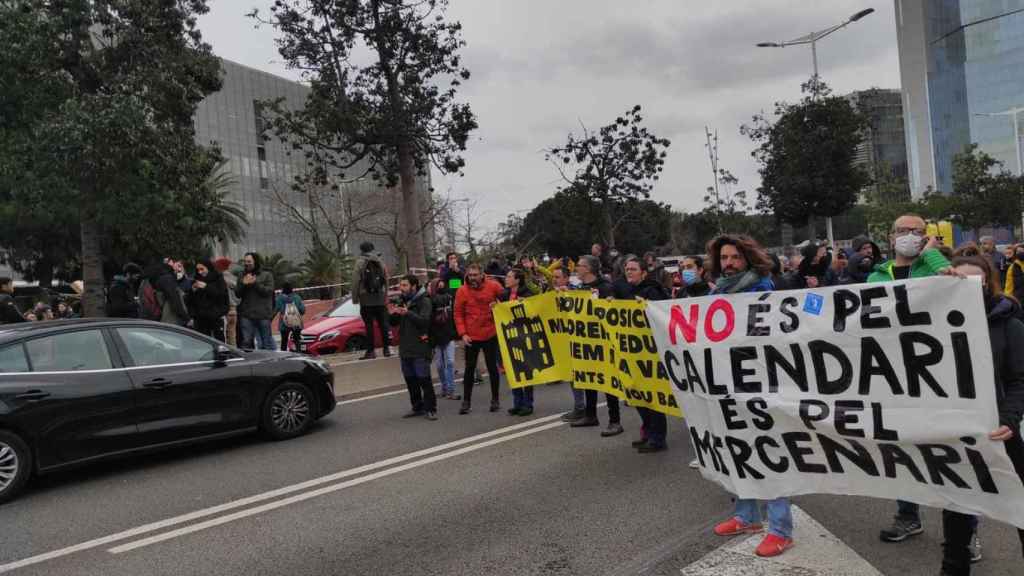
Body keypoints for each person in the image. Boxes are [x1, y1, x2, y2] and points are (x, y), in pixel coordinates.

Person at [869, 214, 961, 544]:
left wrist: (932, 254)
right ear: (891, 237)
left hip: (939, 380)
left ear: (927, 238)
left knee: (952, 456)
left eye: (918, 232)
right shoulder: (875, 276)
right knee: (902, 453)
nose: (910, 235)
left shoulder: (936, 268)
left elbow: (954, 282)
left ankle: (964, 531)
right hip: (895, 381)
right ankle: (908, 516)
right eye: (903, 231)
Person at [705, 234, 792, 557]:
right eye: (724, 258)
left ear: (748, 260)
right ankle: (747, 516)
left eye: (735, 258)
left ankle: (781, 528)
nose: (728, 263)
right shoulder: (719, 291)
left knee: (769, 453)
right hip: (729, 382)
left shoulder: (761, 289)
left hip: (761, 383)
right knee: (737, 450)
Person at [939, 256, 1024, 576]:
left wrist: (1009, 418)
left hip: (1000, 434)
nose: (967, 288)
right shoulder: (932, 323)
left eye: (976, 281)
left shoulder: (1010, 326)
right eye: (958, 281)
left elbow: (1019, 380)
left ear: (989, 284)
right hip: (956, 434)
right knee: (957, 510)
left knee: (1020, 504)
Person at [616, 255, 670, 453]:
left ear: (643, 273)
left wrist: (647, 306)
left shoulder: (653, 291)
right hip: (633, 353)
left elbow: (663, 314)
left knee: (653, 397)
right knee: (638, 395)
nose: (629, 271)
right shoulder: (627, 291)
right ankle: (647, 433)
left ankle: (658, 438)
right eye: (627, 269)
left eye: (633, 269)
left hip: (651, 354)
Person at [569, 255, 623, 437]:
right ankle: (590, 415)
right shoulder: (579, 288)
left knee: (608, 382)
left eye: (579, 265)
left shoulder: (606, 288)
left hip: (604, 343)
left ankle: (615, 421)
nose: (576, 268)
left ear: (589, 269)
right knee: (588, 378)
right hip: (586, 342)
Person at [454, 263, 505, 415]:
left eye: (475, 275)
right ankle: (466, 402)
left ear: (482, 275)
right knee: (469, 370)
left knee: (492, 368)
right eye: (470, 275)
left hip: (490, 333)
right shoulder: (462, 291)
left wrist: (499, 304)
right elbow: (457, 313)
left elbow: (508, 300)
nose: (472, 278)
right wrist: (463, 333)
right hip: (471, 336)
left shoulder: (494, 286)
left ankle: (495, 399)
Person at [390, 275, 437, 420]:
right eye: (400, 286)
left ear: (414, 286)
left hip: (420, 346)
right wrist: (392, 313)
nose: (401, 289)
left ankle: (430, 408)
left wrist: (407, 312)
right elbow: (393, 323)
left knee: (424, 379)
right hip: (405, 347)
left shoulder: (425, 301)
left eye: (404, 285)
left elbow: (424, 322)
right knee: (410, 379)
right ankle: (417, 406)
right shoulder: (403, 301)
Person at [550, 267, 586, 422]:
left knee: (579, 375)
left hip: (579, 340)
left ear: (566, 278)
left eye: (557, 277)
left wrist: (568, 294)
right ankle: (581, 407)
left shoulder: (575, 291)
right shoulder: (551, 293)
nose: (554, 280)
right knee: (573, 375)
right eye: (553, 277)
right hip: (564, 340)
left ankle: (581, 408)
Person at [500, 269, 536, 416]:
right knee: (512, 370)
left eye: (509, 276)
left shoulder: (527, 294)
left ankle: (528, 404)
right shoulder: (504, 295)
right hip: (510, 337)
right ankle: (517, 402)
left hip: (524, 337)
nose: (506, 279)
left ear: (517, 280)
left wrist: (526, 305)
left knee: (526, 370)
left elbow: (534, 312)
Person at [352, 241, 391, 359]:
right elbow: (386, 280)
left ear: (362, 250)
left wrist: (355, 298)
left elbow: (355, 282)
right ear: (372, 249)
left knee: (368, 326)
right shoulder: (380, 261)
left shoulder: (359, 262)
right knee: (383, 324)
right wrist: (385, 295)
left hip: (366, 299)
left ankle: (371, 352)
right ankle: (386, 349)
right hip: (380, 298)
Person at [235, 252, 276, 350]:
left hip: (263, 315)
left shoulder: (267, 275)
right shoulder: (242, 275)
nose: (246, 263)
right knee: (246, 342)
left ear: (255, 262)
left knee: (266, 342)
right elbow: (237, 294)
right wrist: (244, 284)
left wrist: (255, 283)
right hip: (246, 315)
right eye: (245, 261)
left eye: (249, 261)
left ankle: (267, 363)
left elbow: (268, 292)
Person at [428, 278, 459, 401]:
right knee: (440, 365)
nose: (441, 287)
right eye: (438, 285)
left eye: (443, 284)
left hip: (448, 334)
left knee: (450, 362)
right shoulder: (430, 301)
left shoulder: (449, 298)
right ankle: (445, 388)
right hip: (436, 336)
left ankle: (450, 390)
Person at [187, 260, 229, 341]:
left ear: (208, 268)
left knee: (219, 342)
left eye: (202, 269)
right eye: (198, 270)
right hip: (201, 319)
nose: (200, 272)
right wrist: (192, 290)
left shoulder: (218, 278)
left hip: (216, 317)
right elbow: (190, 300)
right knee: (204, 342)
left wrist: (206, 287)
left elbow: (222, 295)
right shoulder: (196, 280)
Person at [141, 261, 190, 326]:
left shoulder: (152, 280)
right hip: (170, 321)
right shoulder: (167, 279)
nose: (178, 269)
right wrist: (187, 318)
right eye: (177, 265)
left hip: (155, 317)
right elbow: (175, 300)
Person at [215, 258, 240, 347]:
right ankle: (234, 354)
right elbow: (239, 296)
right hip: (233, 309)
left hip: (223, 309)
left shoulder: (218, 278)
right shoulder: (234, 278)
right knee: (232, 335)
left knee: (223, 336)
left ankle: (226, 355)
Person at [275, 282, 306, 352]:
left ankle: (283, 357)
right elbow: (303, 310)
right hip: (296, 321)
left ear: (282, 289)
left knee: (284, 341)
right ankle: (299, 354)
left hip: (284, 322)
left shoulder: (279, 298)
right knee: (297, 340)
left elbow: (275, 310)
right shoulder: (297, 297)